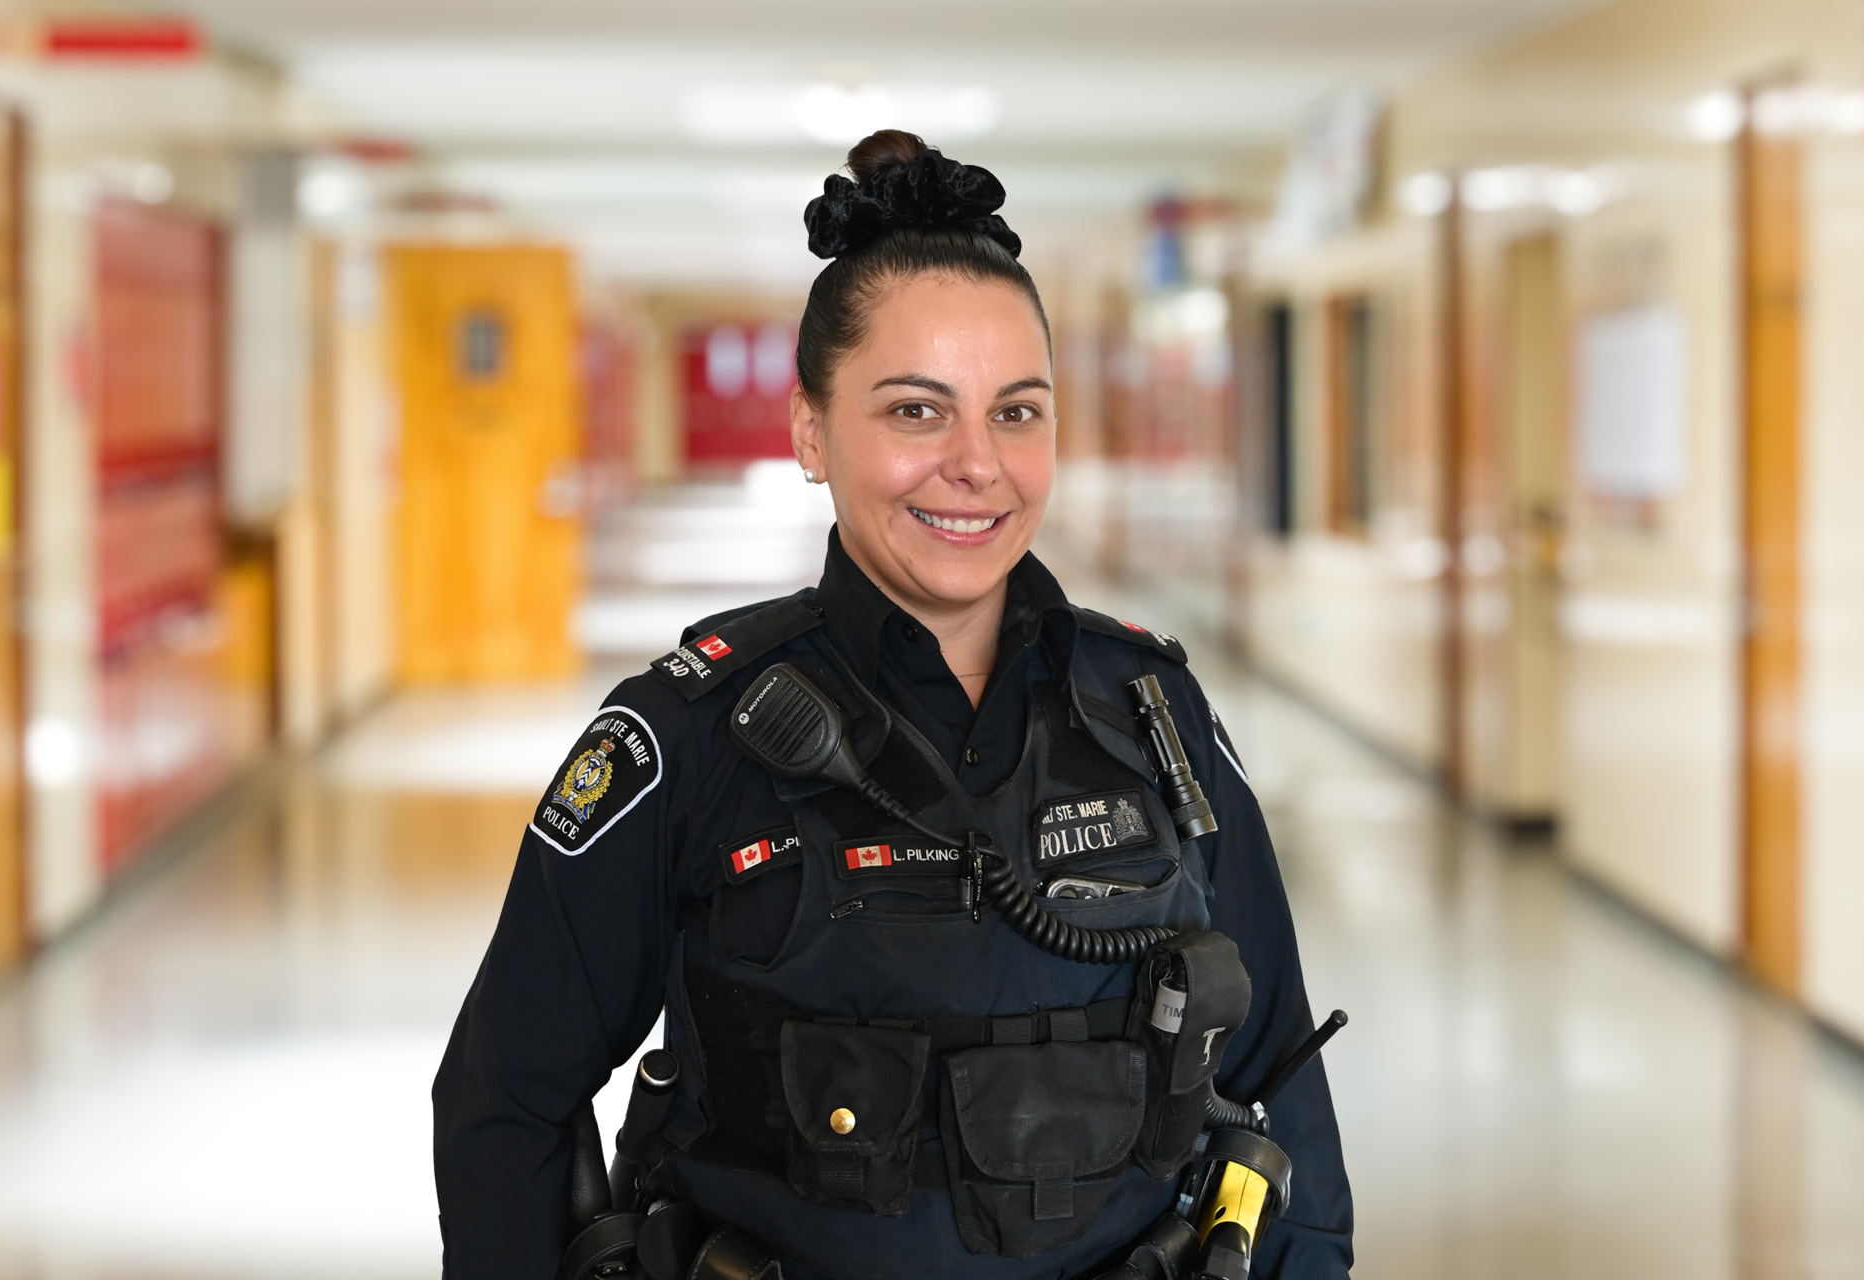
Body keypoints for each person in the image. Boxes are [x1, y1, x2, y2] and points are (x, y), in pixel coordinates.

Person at [433, 130, 1353, 1280]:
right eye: (918, 411)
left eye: (1017, 411)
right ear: (811, 430)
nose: (977, 463)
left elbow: (1280, 1076)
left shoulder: (1156, 715)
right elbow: (505, 1098)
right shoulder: (690, 736)